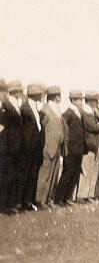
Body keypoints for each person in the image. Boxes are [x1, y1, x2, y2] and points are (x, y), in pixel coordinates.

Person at [36, 86, 67, 207]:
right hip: (48, 146)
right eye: (58, 95)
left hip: (57, 146)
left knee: (54, 174)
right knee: (45, 174)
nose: (60, 97)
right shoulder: (45, 109)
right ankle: (40, 200)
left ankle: (49, 199)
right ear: (54, 96)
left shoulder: (57, 109)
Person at [57, 90, 86, 205]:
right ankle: (60, 198)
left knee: (75, 173)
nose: (80, 102)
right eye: (78, 100)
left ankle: (68, 197)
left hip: (79, 148)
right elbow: (63, 128)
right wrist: (66, 144)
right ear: (73, 101)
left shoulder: (78, 112)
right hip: (71, 148)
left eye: (81, 100)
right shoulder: (68, 113)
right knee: (68, 173)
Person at [19, 83, 46, 211]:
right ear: (34, 95)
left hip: (36, 147)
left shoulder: (36, 108)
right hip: (27, 147)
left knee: (33, 174)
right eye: (40, 94)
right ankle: (22, 202)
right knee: (25, 174)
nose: (42, 96)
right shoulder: (24, 108)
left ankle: (28, 202)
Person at [0, 80, 25, 214]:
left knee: (10, 176)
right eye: (2, 91)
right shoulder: (5, 106)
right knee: (5, 176)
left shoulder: (9, 105)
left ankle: (9, 204)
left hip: (12, 148)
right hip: (6, 148)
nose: (4, 94)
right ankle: (5, 206)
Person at [77, 91, 99, 202]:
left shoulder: (92, 112)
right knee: (86, 170)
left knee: (91, 170)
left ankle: (88, 194)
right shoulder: (84, 112)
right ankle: (82, 195)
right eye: (95, 101)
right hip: (88, 145)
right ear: (90, 102)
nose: (97, 103)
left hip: (94, 143)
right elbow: (94, 127)